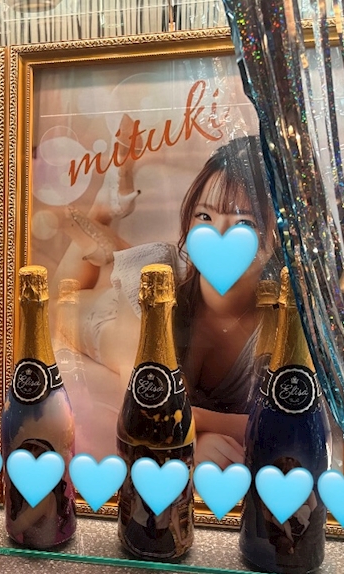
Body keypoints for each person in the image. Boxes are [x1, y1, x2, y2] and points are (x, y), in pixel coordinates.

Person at [53, 133, 279, 471]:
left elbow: (294, 420)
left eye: (244, 222)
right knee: (57, 307)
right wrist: (195, 438)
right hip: (113, 317)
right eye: (204, 216)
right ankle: (102, 211)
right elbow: (147, 408)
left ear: (278, 235)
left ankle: (109, 246)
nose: (218, 234)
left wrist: (197, 424)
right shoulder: (153, 289)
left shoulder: (282, 317)